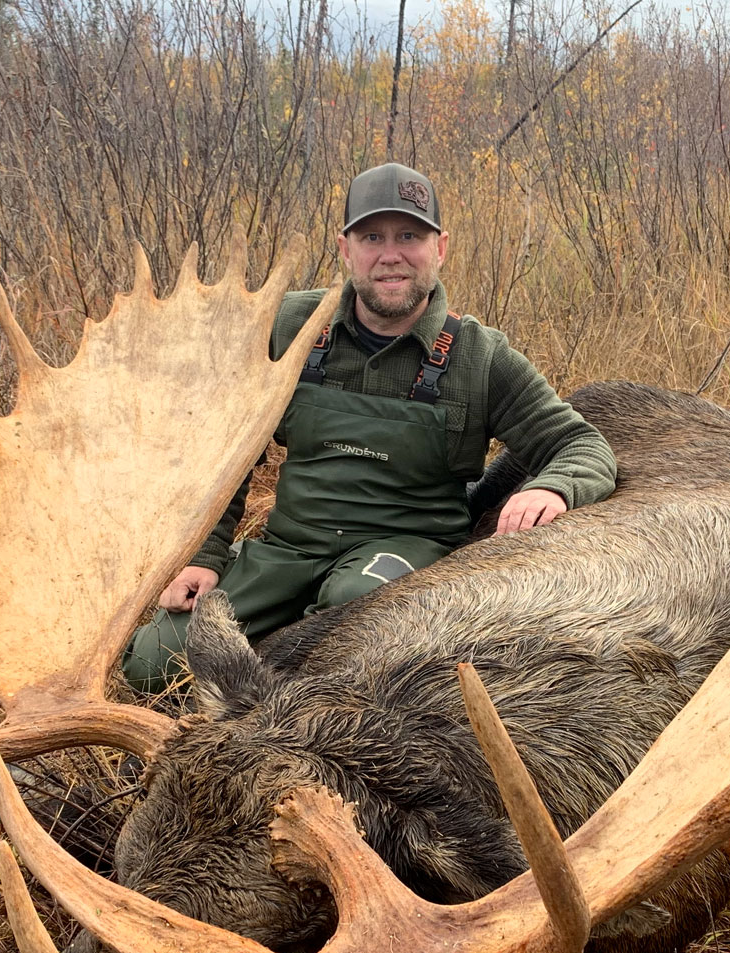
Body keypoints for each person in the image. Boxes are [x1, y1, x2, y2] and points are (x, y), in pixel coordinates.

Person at [123, 162, 617, 691]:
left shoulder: (480, 357)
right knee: (155, 666)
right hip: (289, 548)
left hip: (405, 552)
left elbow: (581, 444)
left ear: (440, 247)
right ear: (345, 249)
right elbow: (221, 452)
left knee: (347, 624)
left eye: (409, 235)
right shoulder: (289, 326)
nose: (390, 254)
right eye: (372, 237)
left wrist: (553, 486)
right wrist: (205, 556)